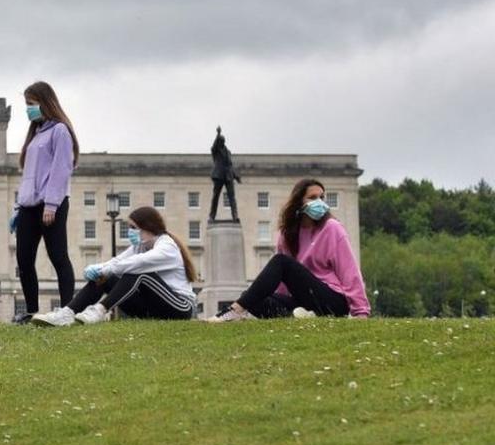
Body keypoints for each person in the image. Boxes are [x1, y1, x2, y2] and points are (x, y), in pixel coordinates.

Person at [208, 178, 371, 322]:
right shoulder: (288, 235)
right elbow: (283, 282)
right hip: (304, 300)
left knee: (281, 262)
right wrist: (274, 297)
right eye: (313, 198)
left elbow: (350, 272)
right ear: (299, 202)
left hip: (333, 300)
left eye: (322, 197)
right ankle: (298, 317)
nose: (320, 202)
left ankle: (234, 311)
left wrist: (361, 312)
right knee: (253, 297)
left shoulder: (332, 228)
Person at [32, 207, 197, 326]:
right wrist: (99, 269)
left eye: (133, 227)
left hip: (179, 307)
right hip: (152, 309)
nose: (129, 232)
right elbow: (116, 262)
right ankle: (66, 313)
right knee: (108, 277)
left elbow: (138, 263)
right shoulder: (140, 246)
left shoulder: (167, 247)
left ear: (147, 226)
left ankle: (99, 311)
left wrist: (107, 269)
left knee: (137, 271)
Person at [12, 81, 79, 324]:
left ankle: (67, 310)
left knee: (58, 256)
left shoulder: (60, 131)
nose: (28, 109)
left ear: (45, 102)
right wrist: (18, 208)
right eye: (26, 105)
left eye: (31, 104)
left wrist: (51, 204)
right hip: (29, 206)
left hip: (51, 204)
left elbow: (61, 169)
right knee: (24, 259)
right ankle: (31, 310)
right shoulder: (36, 134)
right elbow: (29, 175)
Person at [209, 126, 241, 222]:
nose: (221, 143)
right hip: (218, 175)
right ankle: (212, 216)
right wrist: (218, 134)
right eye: (220, 141)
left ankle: (235, 216)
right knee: (215, 196)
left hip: (228, 176)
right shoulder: (215, 151)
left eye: (222, 141)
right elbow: (214, 146)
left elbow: (230, 165)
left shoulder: (228, 152)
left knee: (232, 197)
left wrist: (236, 176)